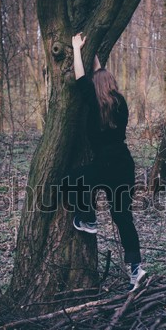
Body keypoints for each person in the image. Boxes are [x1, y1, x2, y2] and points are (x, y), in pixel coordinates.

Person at [69, 32, 146, 291]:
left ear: (95, 86)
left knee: (70, 180)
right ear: (111, 83)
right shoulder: (120, 102)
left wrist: (75, 49)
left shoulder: (92, 100)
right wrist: (90, 52)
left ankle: (88, 218)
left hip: (105, 164)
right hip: (124, 164)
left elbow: (81, 79)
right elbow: (99, 72)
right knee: (123, 217)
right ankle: (136, 269)